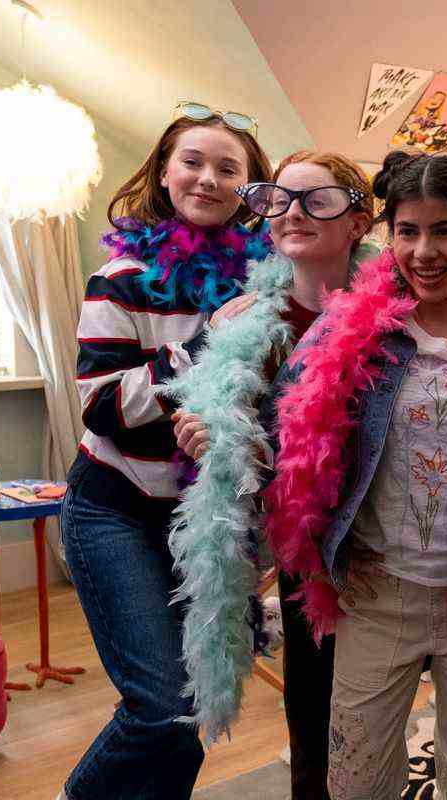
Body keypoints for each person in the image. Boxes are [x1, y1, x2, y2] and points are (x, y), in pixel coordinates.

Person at [262, 151, 447, 800]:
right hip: (377, 595)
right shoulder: (351, 330)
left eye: (444, 230)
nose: (423, 251)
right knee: (357, 784)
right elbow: (291, 434)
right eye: (408, 231)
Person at [58, 104, 271, 800]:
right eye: (192, 161)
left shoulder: (264, 285)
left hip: (206, 522)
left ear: (250, 188)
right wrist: (205, 343)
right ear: (163, 172)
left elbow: (274, 402)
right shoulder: (121, 277)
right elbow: (102, 405)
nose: (207, 178)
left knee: (198, 705)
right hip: (114, 510)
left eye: (227, 168)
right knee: (159, 703)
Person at [162, 151, 378, 799]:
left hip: (388, 546)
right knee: (312, 714)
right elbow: (237, 449)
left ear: (360, 221)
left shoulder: (402, 310)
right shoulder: (242, 325)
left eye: (317, 200)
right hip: (304, 551)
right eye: (280, 199)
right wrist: (216, 440)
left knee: (373, 717)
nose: (292, 212)